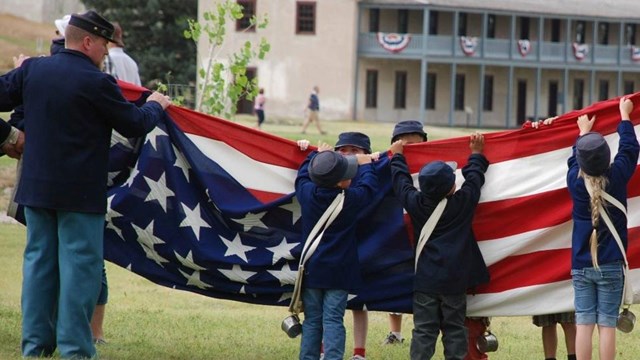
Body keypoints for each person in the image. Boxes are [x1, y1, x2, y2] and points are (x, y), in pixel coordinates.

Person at [0, 10, 172, 359]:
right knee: (81, 272)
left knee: (38, 266)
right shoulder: (96, 82)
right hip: (79, 194)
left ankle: (35, 346)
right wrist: (156, 105)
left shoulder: (33, 69)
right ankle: (76, 349)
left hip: (35, 188)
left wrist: (9, 132)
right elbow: (135, 123)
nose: (105, 54)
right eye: (104, 47)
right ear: (88, 41)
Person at [389, 132, 491, 360]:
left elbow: (401, 183)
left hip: (425, 280)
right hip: (455, 281)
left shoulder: (415, 203)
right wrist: (475, 154)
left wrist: (397, 157)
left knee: (424, 331)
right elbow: (475, 179)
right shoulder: (463, 203)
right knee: (455, 329)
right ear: (452, 186)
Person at [566, 97, 638, 360]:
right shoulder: (617, 176)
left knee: (583, 323)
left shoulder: (574, 183)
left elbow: (573, 161)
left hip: (581, 264)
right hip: (611, 264)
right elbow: (629, 149)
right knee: (607, 324)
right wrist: (624, 115)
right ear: (607, 158)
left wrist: (582, 133)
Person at [296, 144, 378, 360]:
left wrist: (316, 155)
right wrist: (368, 164)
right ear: (342, 182)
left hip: (311, 270)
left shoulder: (306, 193)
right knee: (333, 319)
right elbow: (369, 188)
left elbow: (302, 176)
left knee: (312, 320)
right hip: (340, 273)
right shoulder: (350, 199)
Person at [383, 120, 429, 346]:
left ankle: (425, 331)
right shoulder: (385, 163)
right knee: (395, 276)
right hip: (395, 230)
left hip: (426, 233)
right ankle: (395, 333)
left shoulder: (434, 166)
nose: (410, 150)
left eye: (416, 145)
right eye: (405, 145)